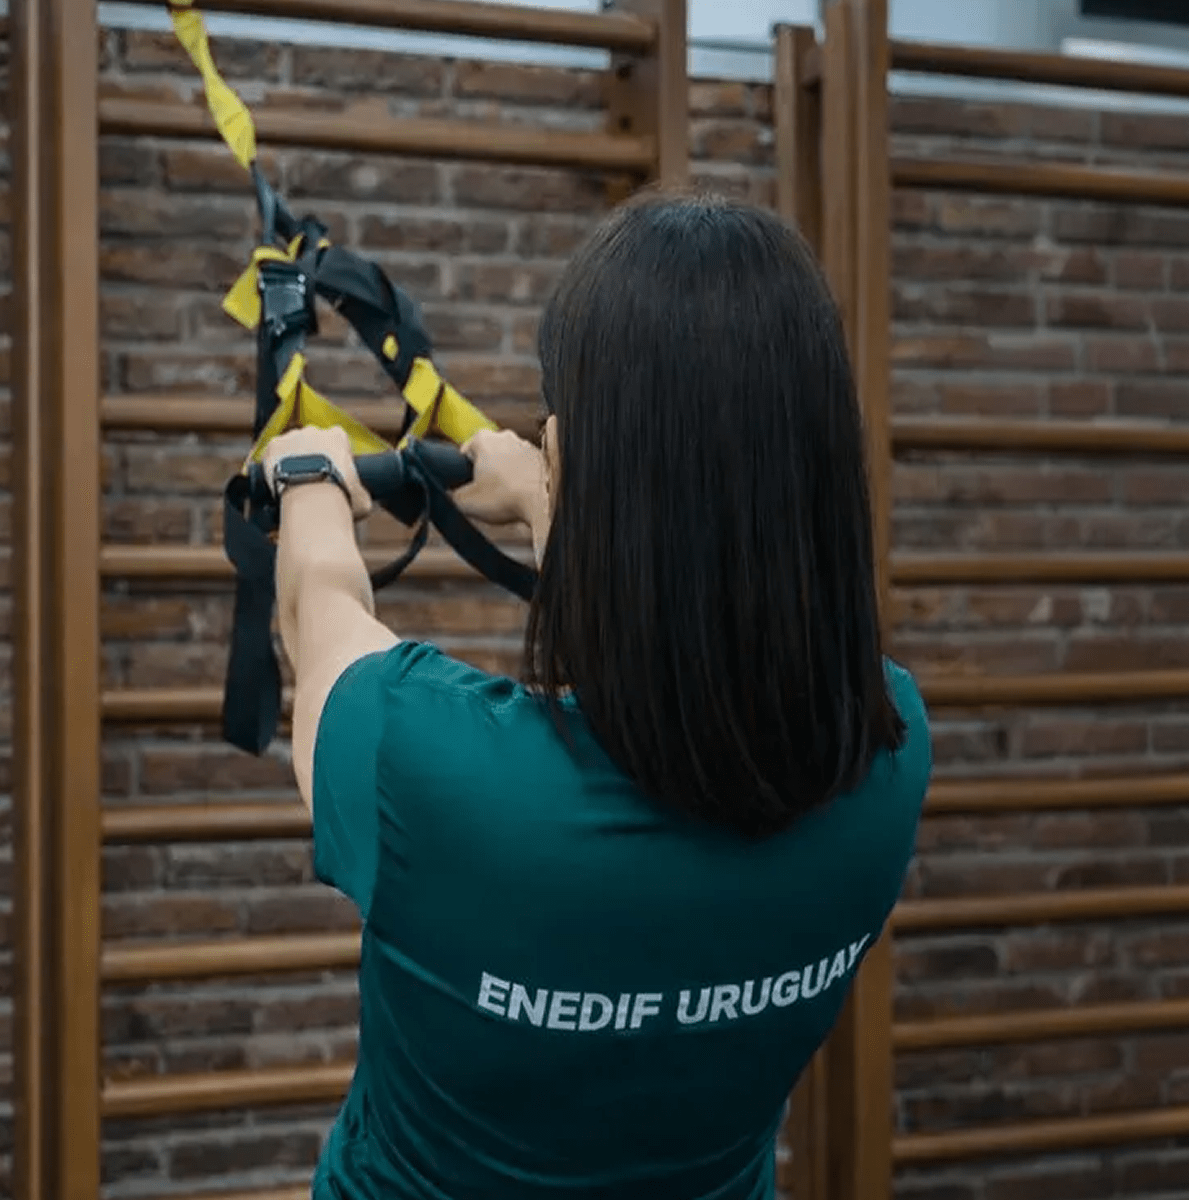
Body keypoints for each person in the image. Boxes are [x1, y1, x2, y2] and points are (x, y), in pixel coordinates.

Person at [258, 189, 932, 1200]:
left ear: (590, 462)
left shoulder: (424, 766)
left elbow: (318, 618)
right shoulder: (887, 750)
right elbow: (693, 604)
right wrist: (552, 495)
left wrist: (307, 480)